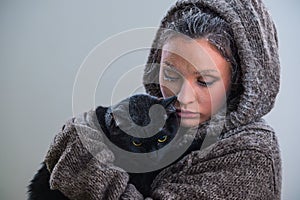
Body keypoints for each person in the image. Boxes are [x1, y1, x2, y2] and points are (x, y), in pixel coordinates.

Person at [28, 0, 281, 199]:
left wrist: (85, 164)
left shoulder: (251, 154)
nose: (182, 98)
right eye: (170, 73)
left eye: (203, 81)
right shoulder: (152, 117)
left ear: (239, 82)